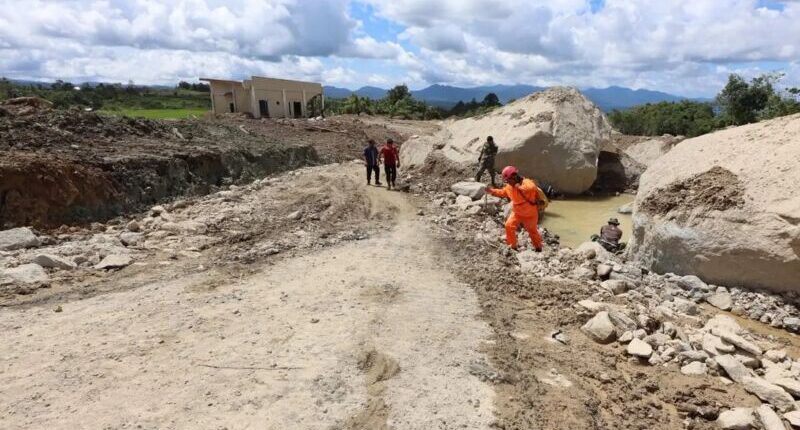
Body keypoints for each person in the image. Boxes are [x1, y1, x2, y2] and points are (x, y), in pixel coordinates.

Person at [486, 165, 544, 252]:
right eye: (507, 180)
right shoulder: (509, 187)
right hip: (517, 212)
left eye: (509, 180)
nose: (508, 182)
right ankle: (512, 247)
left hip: (530, 213)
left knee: (532, 231)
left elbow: (530, 188)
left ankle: (538, 248)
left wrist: (518, 187)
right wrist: (492, 191)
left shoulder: (527, 182)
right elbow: (503, 192)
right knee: (508, 225)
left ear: (514, 176)